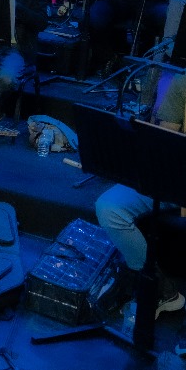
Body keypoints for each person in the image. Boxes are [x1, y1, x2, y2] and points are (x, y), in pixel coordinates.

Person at [96, 73, 186, 320]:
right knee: (109, 207)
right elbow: (165, 147)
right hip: (177, 182)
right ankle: (160, 289)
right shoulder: (182, 84)